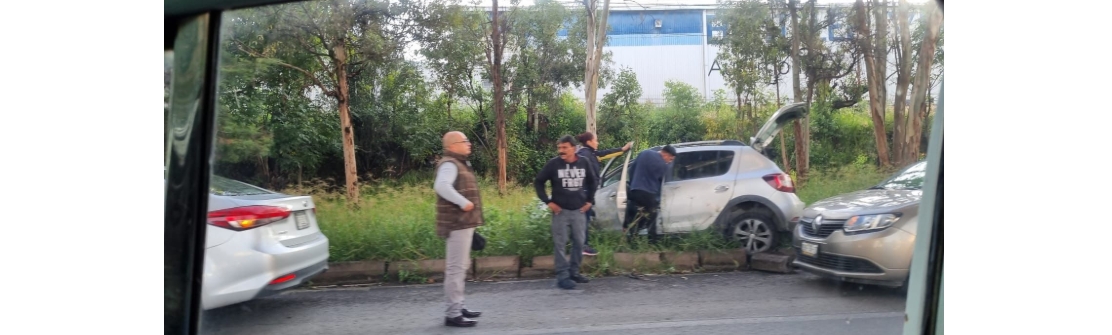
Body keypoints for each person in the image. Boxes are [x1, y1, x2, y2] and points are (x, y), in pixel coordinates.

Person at [534, 135, 599, 290]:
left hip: (579, 211)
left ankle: (574, 272)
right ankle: (562, 276)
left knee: (579, 243)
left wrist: (589, 201)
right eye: (559, 148)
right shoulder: (554, 164)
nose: (561, 151)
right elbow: (538, 182)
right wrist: (548, 202)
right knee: (560, 244)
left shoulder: (584, 162)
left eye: (564, 147)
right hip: (560, 212)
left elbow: (593, 181)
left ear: (574, 148)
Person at [434, 131, 484, 327]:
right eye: (465, 141)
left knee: (461, 267)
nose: (469, 144)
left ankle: (458, 306)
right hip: (457, 223)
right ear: (452, 146)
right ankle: (453, 314)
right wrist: (463, 203)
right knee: (456, 269)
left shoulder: (459, 163)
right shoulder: (449, 164)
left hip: (463, 223)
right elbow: (441, 186)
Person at [574, 132, 632, 256]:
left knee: (584, 220)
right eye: (595, 140)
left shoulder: (592, 154)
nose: (598, 142)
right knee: (582, 221)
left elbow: (606, 153)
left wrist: (622, 149)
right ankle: (582, 247)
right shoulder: (583, 155)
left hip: (587, 194)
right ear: (589, 142)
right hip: (583, 194)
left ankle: (581, 246)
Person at [622, 145, 677, 244]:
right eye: (670, 159)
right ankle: (652, 242)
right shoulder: (663, 165)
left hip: (635, 190)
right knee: (653, 215)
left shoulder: (645, 153)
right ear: (666, 154)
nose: (669, 162)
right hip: (649, 194)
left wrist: (634, 183)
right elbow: (660, 183)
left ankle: (632, 239)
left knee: (634, 213)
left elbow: (631, 170)